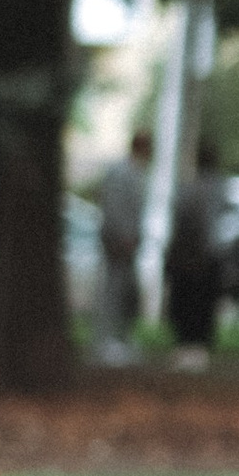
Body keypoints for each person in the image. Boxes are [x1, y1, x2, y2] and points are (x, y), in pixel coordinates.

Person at [166, 137, 229, 369]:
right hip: (205, 255)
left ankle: (189, 348)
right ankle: (195, 349)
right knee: (201, 305)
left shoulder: (189, 188)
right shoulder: (218, 188)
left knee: (189, 304)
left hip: (193, 256)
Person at [92, 126, 151, 363]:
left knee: (123, 293)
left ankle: (118, 340)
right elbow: (115, 208)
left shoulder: (134, 172)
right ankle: (105, 341)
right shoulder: (122, 173)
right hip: (119, 242)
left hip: (127, 241)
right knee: (112, 292)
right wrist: (122, 237)